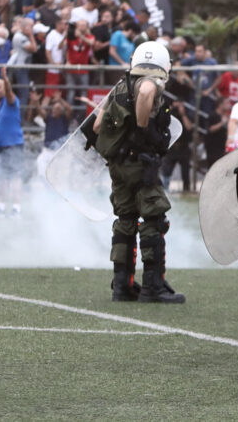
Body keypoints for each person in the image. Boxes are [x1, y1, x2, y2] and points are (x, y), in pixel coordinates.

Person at [92, 41, 185, 303]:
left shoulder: (119, 87)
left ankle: (122, 286)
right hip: (140, 165)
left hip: (118, 165)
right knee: (154, 220)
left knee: (126, 220)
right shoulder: (148, 82)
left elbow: (97, 126)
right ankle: (153, 287)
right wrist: (143, 129)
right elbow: (146, 92)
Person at [0, 72, 25, 218]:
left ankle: (16, 209)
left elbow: (9, 92)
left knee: (14, 177)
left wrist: (6, 79)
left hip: (14, 145)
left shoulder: (11, 101)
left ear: (4, 88)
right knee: (0, 176)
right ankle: (0, 208)